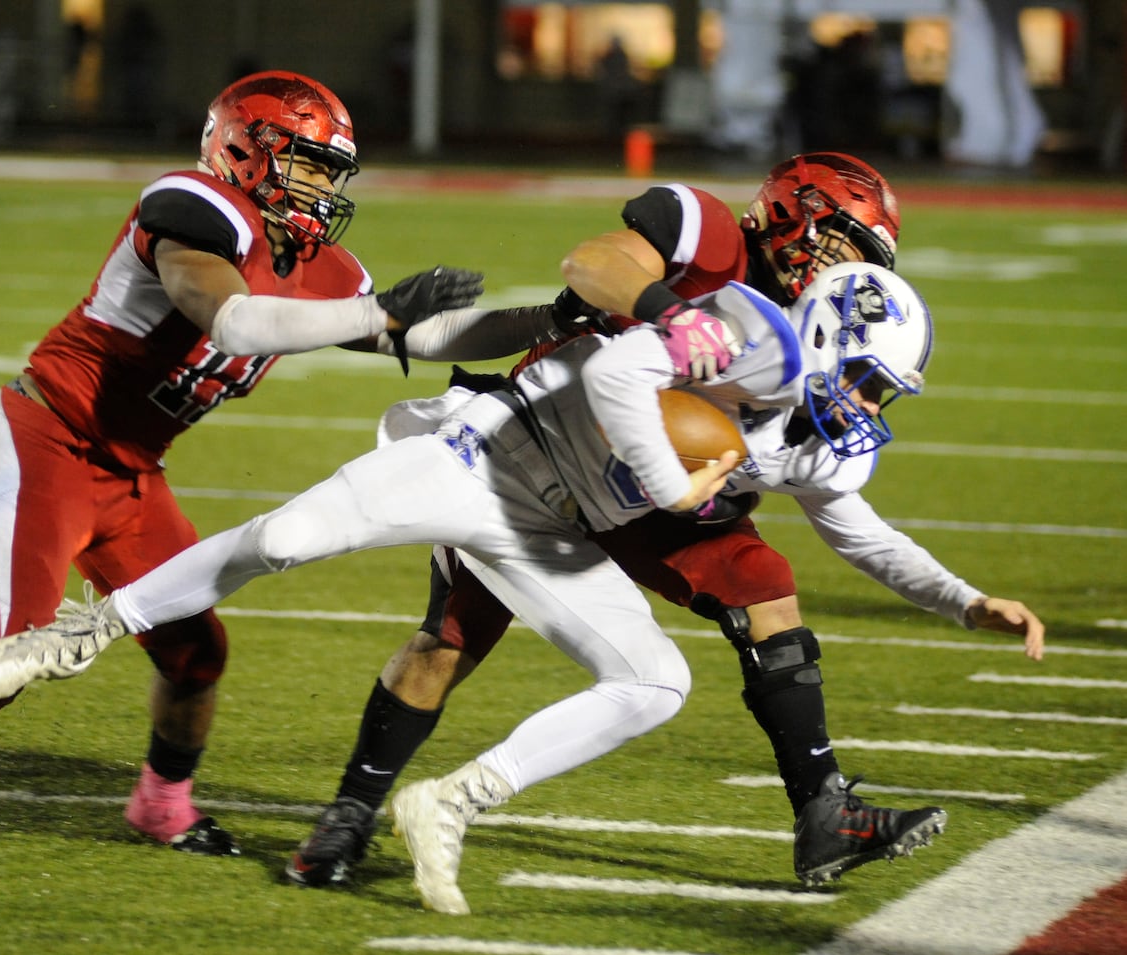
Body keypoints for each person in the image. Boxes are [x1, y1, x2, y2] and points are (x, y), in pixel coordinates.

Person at [0, 262, 944, 917]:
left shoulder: (809, 436)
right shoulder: (750, 331)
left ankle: (455, 799)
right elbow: (618, 376)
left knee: (654, 679)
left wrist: (963, 600)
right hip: (482, 453)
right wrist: (664, 473)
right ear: (821, 335)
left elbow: (858, 530)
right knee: (294, 535)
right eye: (864, 381)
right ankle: (76, 635)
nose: (864, 407)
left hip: (550, 525)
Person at [0, 68, 510, 872]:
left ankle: (162, 804)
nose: (322, 186)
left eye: (330, 169)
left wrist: (564, 320)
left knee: (194, 653)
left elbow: (425, 338)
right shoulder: (192, 207)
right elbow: (236, 320)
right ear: (246, 151)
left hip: (131, 473)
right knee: (1, 664)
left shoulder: (322, 269)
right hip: (47, 439)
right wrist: (376, 312)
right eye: (308, 161)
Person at [286, 152, 1040, 894]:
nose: (842, 268)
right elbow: (590, 263)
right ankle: (351, 811)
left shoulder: (819, 357)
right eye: (842, 242)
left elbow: (852, 522)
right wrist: (672, 315)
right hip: (557, 449)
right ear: (794, 216)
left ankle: (823, 810)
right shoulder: (711, 239)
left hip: (666, 492)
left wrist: (962, 601)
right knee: (451, 638)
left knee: (764, 582)